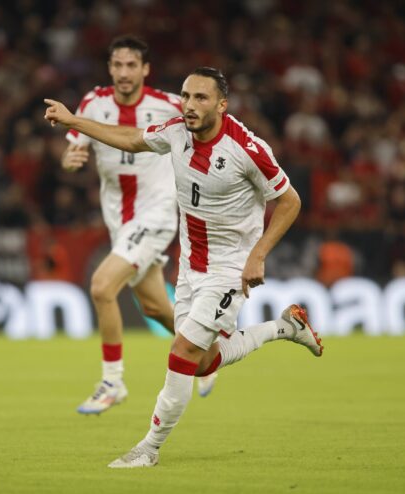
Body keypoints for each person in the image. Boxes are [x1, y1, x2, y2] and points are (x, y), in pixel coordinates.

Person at [45, 66, 323, 468]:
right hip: (191, 266)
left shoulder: (247, 148)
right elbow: (130, 138)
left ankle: (149, 448)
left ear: (222, 105)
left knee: (181, 352)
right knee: (204, 360)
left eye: (201, 98)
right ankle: (286, 327)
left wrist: (258, 254)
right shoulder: (176, 131)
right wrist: (75, 122)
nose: (189, 105)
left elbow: (290, 200)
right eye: (186, 96)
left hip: (229, 268)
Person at [62, 36, 217, 415]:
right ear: (109, 68)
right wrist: (71, 156)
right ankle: (210, 357)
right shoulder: (93, 103)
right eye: (117, 65)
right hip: (119, 219)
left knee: (101, 287)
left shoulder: (167, 105)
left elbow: (208, 134)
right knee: (155, 307)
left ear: (146, 69)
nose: (124, 72)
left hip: (158, 213)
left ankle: (112, 381)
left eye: (132, 65)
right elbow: (75, 145)